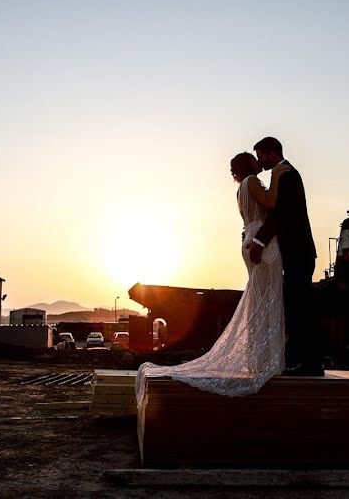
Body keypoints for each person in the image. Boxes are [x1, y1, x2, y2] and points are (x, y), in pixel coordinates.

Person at [135, 152, 289, 403]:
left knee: (259, 299)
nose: (257, 161)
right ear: (247, 165)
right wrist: (277, 179)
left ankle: (259, 359)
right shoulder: (252, 181)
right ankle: (267, 361)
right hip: (262, 241)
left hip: (249, 238)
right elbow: (272, 203)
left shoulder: (240, 188)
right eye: (253, 158)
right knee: (268, 299)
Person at [249, 136, 323, 376]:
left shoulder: (287, 175)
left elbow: (280, 214)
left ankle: (310, 364)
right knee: (296, 306)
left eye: (261, 156)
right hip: (296, 252)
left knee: (301, 307)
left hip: (299, 251)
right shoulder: (283, 175)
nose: (260, 162)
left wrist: (259, 241)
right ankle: (305, 361)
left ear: (272, 153)